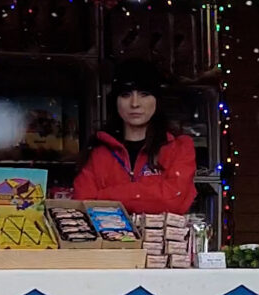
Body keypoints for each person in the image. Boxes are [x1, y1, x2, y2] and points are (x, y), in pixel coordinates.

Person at [72, 61, 200, 215]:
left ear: (157, 100)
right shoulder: (99, 151)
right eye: (125, 95)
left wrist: (103, 197)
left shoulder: (179, 147)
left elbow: (174, 200)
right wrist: (148, 196)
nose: (134, 104)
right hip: (108, 232)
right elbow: (82, 205)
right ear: (115, 101)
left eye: (144, 94)